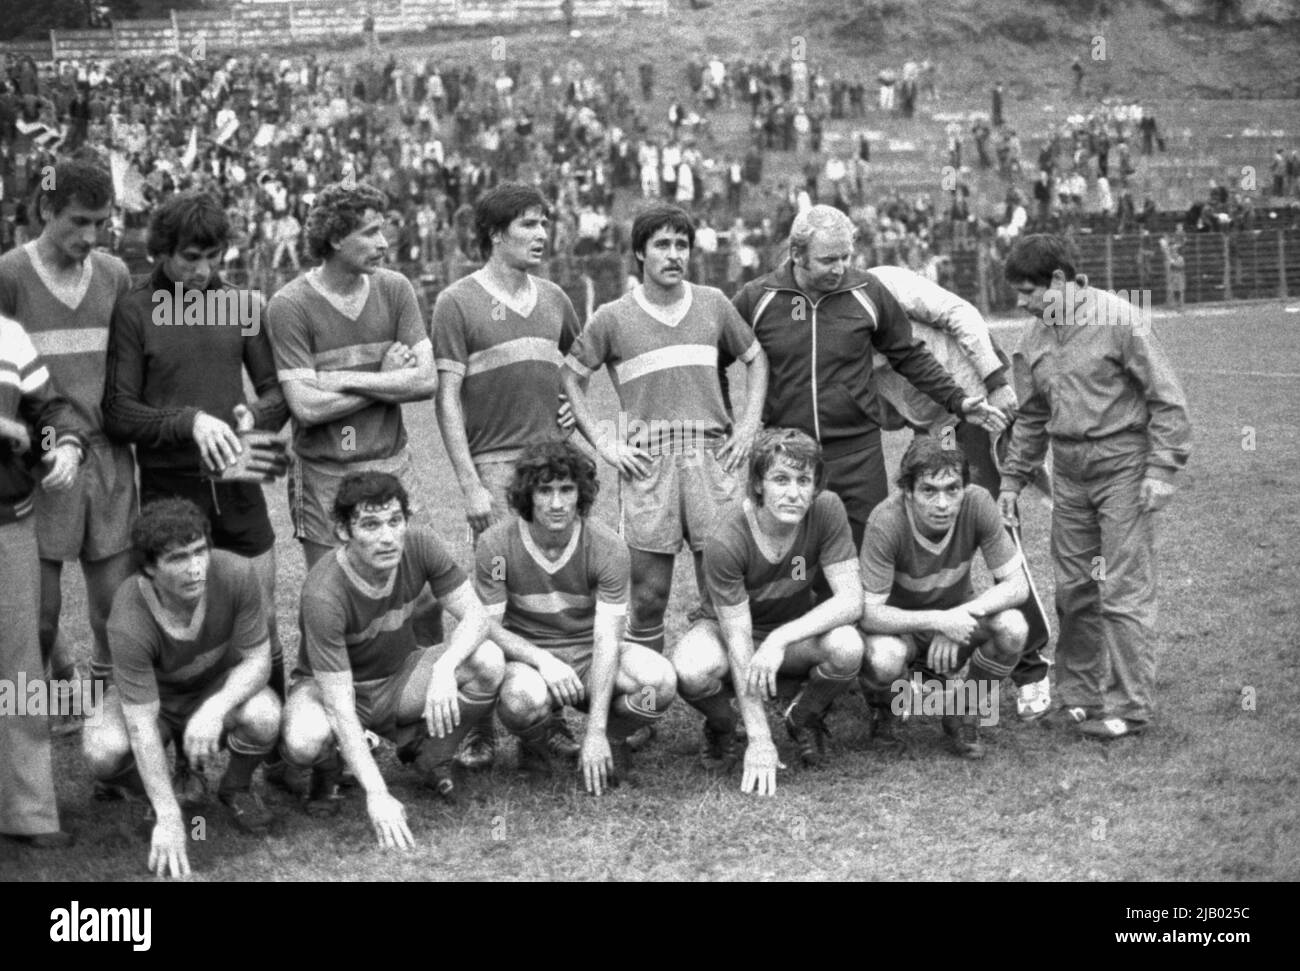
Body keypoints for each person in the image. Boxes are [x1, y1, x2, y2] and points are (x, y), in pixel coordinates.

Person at [997, 234, 1191, 739]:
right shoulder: (1034, 340)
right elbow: (1032, 417)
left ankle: (1130, 707)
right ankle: (1079, 697)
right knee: (1074, 589)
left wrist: (1162, 469)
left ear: (1059, 281)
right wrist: (1012, 481)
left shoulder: (1120, 319)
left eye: (1027, 291)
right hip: (1070, 475)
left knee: (1124, 592)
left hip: (1124, 466)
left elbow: (1166, 399)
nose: (1021, 303)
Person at [103, 191, 291, 704]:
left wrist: (254, 415)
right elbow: (118, 412)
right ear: (161, 251)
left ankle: (273, 750)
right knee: (183, 622)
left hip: (239, 484)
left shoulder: (242, 304)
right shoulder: (135, 310)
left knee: (263, 613)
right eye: (191, 257)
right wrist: (190, 422)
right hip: (171, 493)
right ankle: (182, 741)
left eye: (213, 257)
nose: (203, 269)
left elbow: (277, 392)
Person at [560, 203, 768, 664]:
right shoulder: (613, 317)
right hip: (649, 464)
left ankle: (725, 706)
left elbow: (756, 358)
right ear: (640, 253)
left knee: (721, 588)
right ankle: (645, 710)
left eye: (682, 245)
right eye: (662, 245)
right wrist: (604, 442)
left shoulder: (714, 303)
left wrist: (749, 424)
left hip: (713, 460)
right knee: (648, 597)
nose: (674, 255)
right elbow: (572, 377)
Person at [730, 205, 1008, 548]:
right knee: (794, 559)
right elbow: (713, 354)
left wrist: (959, 400)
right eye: (829, 260)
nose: (841, 268)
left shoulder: (869, 289)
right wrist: (732, 424)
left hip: (857, 453)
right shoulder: (757, 298)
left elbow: (908, 353)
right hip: (789, 454)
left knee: (868, 552)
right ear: (797, 255)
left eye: (846, 256)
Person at [432, 182, 582, 770]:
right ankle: (478, 725)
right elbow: (446, 399)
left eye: (544, 223)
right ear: (495, 234)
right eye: (527, 225)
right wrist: (469, 482)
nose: (541, 234)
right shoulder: (456, 302)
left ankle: (548, 717)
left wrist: (572, 408)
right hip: (494, 468)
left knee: (555, 589)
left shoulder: (555, 298)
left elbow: (577, 368)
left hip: (553, 469)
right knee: (493, 598)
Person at [865, 264, 1052, 719]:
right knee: (927, 532)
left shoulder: (882, 282)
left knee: (999, 533)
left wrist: (993, 380)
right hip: (934, 424)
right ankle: (931, 663)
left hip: (975, 406)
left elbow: (959, 311)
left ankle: (1031, 668)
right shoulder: (824, 317)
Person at [278, 472, 503, 848]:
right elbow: (338, 705)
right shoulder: (323, 593)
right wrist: (378, 795)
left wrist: (446, 668)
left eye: (394, 521)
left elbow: (476, 616)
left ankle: (433, 756)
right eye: (370, 524)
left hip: (399, 677)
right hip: (333, 690)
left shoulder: (420, 543)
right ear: (344, 532)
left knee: (488, 660)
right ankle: (328, 768)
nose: (387, 536)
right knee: (304, 740)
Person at [0, 153, 135, 736]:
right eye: (78, 220)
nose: (91, 235)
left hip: (108, 460)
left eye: (100, 222)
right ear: (45, 210)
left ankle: (110, 724)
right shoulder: (9, 275)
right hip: (41, 463)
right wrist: (47, 445)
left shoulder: (116, 275)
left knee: (114, 613)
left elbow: (132, 370)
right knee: (40, 619)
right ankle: (48, 705)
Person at [82, 499, 282, 878]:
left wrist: (215, 708)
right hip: (154, 704)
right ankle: (156, 798)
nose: (194, 568)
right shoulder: (128, 617)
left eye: (199, 551)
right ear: (149, 569)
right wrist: (171, 816)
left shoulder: (236, 573)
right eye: (177, 558)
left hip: (212, 690)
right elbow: (141, 726)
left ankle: (236, 787)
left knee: (265, 714)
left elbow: (258, 661)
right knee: (101, 750)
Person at [670, 429, 862, 796]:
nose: (794, 493)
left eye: (804, 480)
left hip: (788, 632)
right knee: (690, 669)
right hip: (728, 631)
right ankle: (724, 723)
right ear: (758, 484)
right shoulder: (726, 539)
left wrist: (780, 638)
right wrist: (760, 739)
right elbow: (738, 638)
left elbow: (852, 599)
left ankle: (804, 716)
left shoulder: (827, 508)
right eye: (781, 479)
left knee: (848, 645)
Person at [478, 442, 677, 793]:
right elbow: (488, 627)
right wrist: (542, 660)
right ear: (528, 493)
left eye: (566, 489)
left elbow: (607, 638)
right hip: (531, 662)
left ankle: (614, 739)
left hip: (589, 657)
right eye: (545, 490)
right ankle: (535, 744)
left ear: (580, 493)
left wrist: (598, 731)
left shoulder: (607, 546)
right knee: (521, 700)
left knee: (658, 684)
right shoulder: (495, 545)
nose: (557, 503)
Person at [265, 180, 437, 572]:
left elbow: (426, 381)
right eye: (371, 232)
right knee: (334, 591)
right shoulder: (289, 305)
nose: (384, 243)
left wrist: (346, 379)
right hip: (324, 474)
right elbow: (306, 407)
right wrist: (388, 382)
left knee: (422, 595)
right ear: (337, 237)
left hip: (392, 465)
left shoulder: (395, 289)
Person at [859, 438, 1029, 759]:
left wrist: (960, 617)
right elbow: (869, 614)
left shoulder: (977, 502)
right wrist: (938, 621)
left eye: (953, 489)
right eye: (929, 491)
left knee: (1014, 627)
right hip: (902, 628)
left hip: (957, 617)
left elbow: (1017, 585)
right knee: (883, 656)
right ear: (907, 491)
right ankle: (887, 712)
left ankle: (964, 710)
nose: (943, 503)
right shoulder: (886, 521)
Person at [0, 312, 88, 849]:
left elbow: (47, 410)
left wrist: (61, 443)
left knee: (19, 671)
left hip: (8, 519)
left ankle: (27, 811)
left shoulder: (7, 334)